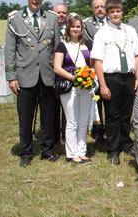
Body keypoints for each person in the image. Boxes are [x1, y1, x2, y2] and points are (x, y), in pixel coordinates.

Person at [5, 0, 60, 167]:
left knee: (48, 116)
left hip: (47, 75)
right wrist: (11, 77)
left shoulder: (51, 18)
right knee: (26, 117)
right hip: (25, 76)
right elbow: (10, 49)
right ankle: (26, 152)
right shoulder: (15, 19)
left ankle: (47, 150)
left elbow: (57, 48)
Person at [91, 0, 138, 165]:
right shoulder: (102, 33)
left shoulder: (130, 30)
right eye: (111, 12)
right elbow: (97, 60)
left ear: (122, 12)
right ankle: (113, 149)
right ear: (107, 13)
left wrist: (137, 78)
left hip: (128, 76)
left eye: (118, 11)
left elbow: (137, 56)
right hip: (111, 77)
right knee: (113, 114)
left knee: (126, 113)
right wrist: (103, 84)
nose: (115, 14)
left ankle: (126, 143)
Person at [53, 14, 94, 165]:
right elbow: (57, 67)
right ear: (68, 28)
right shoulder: (62, 45)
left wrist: (89, 77)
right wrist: (74, 78)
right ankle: (72, 153)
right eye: (73, 26)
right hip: (71, 86)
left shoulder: (88, 44)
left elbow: (93, 64)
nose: (75, 29)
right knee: (72, 121)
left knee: (84, 120)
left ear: (82, 28)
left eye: (78, 26)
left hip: (87, 86)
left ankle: (82, 151)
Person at [83, 0, 107, 142]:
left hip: (109, 67)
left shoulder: (113, 22)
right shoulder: (86, 25)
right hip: (92, 67)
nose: (100, 9)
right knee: (95, 100)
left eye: (102, 6)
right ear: (93, 9)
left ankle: (110, 129)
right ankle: (97, 130)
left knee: (110, 100)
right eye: (97, 7)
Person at [53, 3, 68, 143]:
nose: (61, 15)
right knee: (52, 107)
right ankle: (54, 135)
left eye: (63, 12)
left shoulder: (70, 29)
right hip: (51, 72)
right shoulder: (49, 28)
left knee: (67, 107)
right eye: (58, 12)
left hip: (68, 71)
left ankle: (65, 134)